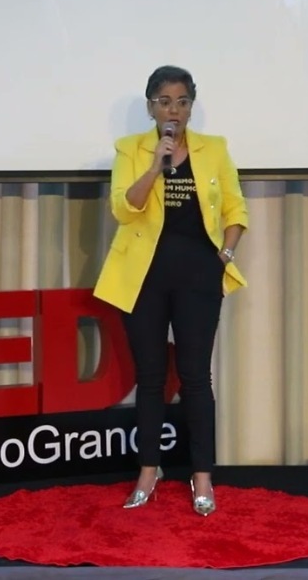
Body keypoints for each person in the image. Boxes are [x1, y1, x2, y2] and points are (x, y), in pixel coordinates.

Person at [92, 65, 249, 516]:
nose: (173, 111)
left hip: (199, 276)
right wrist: (155, 168)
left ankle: (202, 476)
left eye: (182, 102)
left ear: (191, 107)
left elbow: (236, 208)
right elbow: (124, 209)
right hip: (143, 278)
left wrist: (225, 254)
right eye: (164, 102)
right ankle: (149, 471)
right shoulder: (131, 149)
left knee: (197, 378)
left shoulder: (214, 149)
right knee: (151, 378)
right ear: (151, 107)